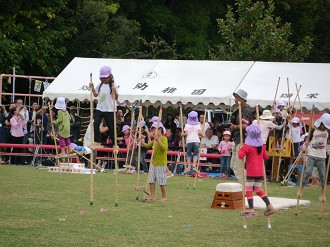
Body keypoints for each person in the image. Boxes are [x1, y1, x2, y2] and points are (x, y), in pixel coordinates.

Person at [238, 124, 276, 216]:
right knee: (258, 189)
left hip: (251, 171)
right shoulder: (262, 146)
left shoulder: (247, 146)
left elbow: (240, 156)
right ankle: (269, 205)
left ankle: (251, 209)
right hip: (260, 172)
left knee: (249, 189)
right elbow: (266, 157)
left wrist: (240, 149)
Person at [299, 113, 330, 199]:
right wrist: (305, 146)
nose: (327, 127)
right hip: (312, 155)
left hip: (322, 156)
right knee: (307, 172)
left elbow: (328, 142)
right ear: (322, 123)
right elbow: (308, 140)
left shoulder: (327, 132)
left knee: (322, 176)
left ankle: (323, 193)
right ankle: (301, 189)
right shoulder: (313, 130)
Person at [89, 65, 119, 147]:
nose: (103, 79)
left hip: (110, 109)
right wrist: (92, 88)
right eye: (102, 78)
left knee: (111, 127)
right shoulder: (100, 85)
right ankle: (97, 141)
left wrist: (115, 92)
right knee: (95, 124)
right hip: (100, 108)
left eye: (105, 78)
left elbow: (116, 98)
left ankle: (114, 143)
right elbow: (95, 95)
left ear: (109, 77)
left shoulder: (113, 85)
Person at [141, 122, 168, 202]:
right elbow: (147, 146)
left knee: (161, 181)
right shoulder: (155, 140)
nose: (153, 131)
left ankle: (164, 196)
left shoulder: (164, 138)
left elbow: (164, 148)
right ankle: (152, 196)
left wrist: (158, 140)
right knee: (151, 180)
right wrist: (141, 141)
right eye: (152, 129)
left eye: (154, 129)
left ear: (159, 130)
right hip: (154, 163)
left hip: (161, 163)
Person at [229, 89, 252, 184]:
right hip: (236, 139)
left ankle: (246, 188)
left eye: (237, 97)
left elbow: (245, 126)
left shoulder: (246, 110)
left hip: (243, 140)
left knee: (238, 167)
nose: (235, 99)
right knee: (233, 166)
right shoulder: (238, 109)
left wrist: (234, 126)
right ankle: (249, 182)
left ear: (242, 99)